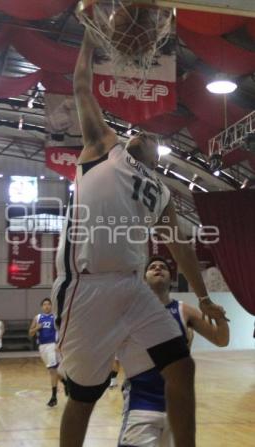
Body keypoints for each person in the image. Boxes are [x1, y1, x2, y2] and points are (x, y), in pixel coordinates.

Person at [52, 31, 227, 447]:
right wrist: (91, 40)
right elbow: (80, 86)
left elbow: (180, 247)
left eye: (151, 137)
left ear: (158, 158)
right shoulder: (104, 146)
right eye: (140, 133)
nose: (143, 133)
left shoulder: (162, 192)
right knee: (83, 397)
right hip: (87, 286)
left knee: (181, 368)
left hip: (133, 287)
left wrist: (203, 298)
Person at [118, 255, 230, 447]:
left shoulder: (184, 310)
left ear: (171, 278)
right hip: (141, 404)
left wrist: (219, 317)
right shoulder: (130, 312)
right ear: (144, 279)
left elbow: (221, 340)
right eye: (152, 267)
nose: (158, 268)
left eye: (163, 267)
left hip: (178, 410)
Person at [29, 297, 60, 407]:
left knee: (52, 370)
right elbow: (30, 333)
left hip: (52, 345)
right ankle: (67, 384)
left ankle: (54, 397)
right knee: (55, 371)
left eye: (49, 304)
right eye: (45, 304)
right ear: (42, 307)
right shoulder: (37, 317)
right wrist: (37, 328)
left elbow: (61, 331)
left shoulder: (55, 317)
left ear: (51, 306)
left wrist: (59, 344)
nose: (47, 306)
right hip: (42, 347)